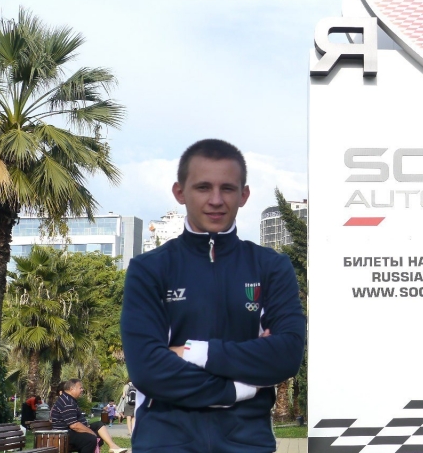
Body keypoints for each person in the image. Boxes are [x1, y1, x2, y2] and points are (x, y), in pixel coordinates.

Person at [121, 139, 306, 452]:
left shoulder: (271, 266)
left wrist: (192, 352)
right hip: (165, 441)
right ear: (180, 192)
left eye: (228, 188)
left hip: (246, 442)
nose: (216, 200)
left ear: (244, 195)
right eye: (203, 187)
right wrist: (239, 389)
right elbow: (148, 370)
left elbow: (286, 355)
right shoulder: (148, 268)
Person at [51, 379, 127, 453]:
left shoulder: (69, 399)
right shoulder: (67, 402)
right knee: (91, 439)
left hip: (69, 432)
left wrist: (87, 428)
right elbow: (74, 425)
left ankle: (112, 446)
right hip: (64, 434)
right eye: (80, 388)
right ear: (72, 389)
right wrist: (91, 432)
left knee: (99, 425)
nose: (82, 390)